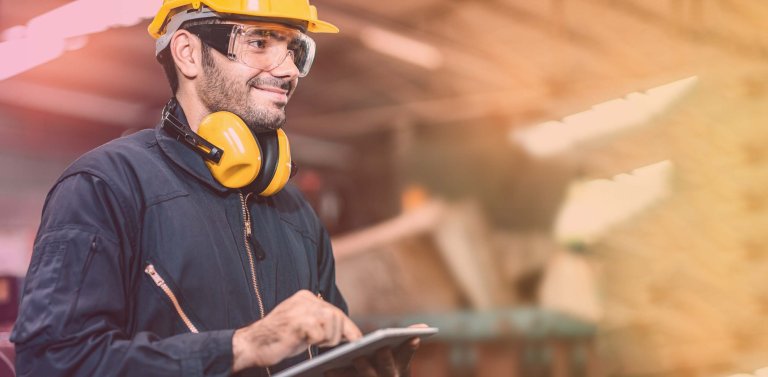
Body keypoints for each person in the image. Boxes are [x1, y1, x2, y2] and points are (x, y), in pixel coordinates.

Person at [10, 0, 422, 376]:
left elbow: (320, 355)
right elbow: (53, 362)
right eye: (259, 42)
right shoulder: (106, 187)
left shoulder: (297, 213)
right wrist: (242, 346)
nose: (289, 70)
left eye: (294, 49)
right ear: (188, 53)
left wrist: (361, 365)